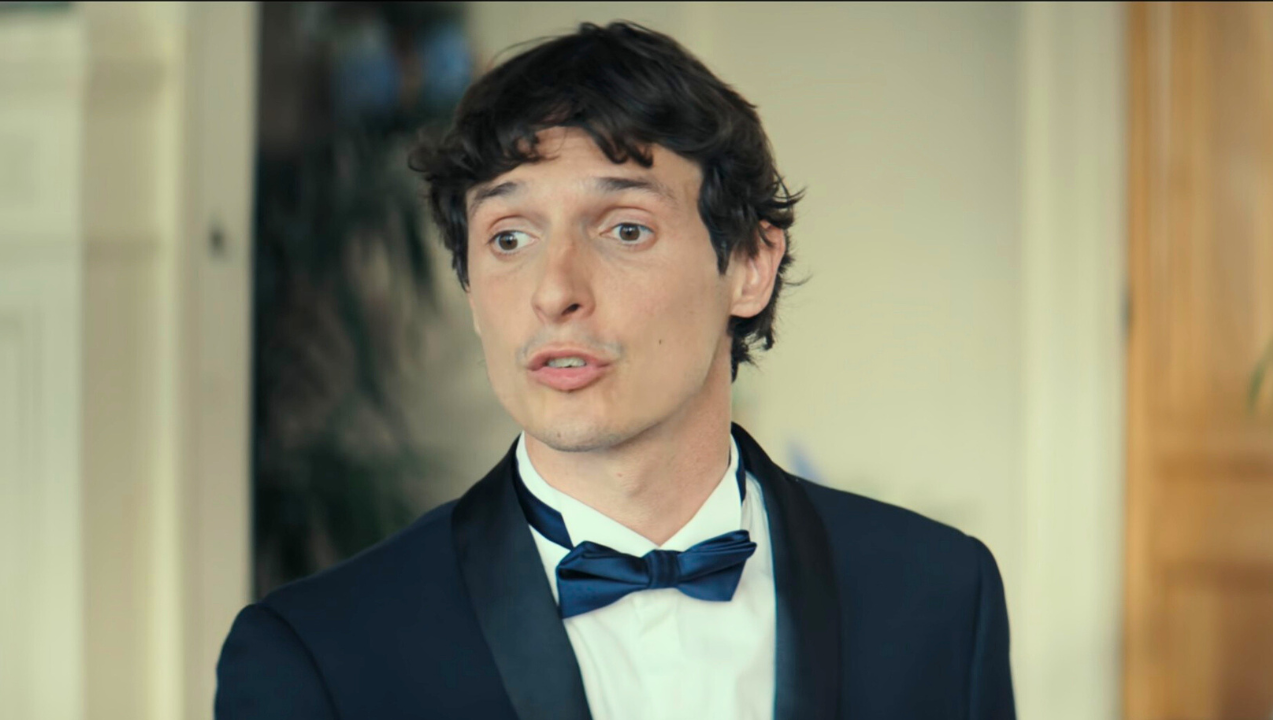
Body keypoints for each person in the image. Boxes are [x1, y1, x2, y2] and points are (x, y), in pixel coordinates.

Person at [215, 21, 1015, 720]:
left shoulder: (941, 599)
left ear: (749, 266)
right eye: (509, 238)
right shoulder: (318, 655)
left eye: (625, 229)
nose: (554, 291)